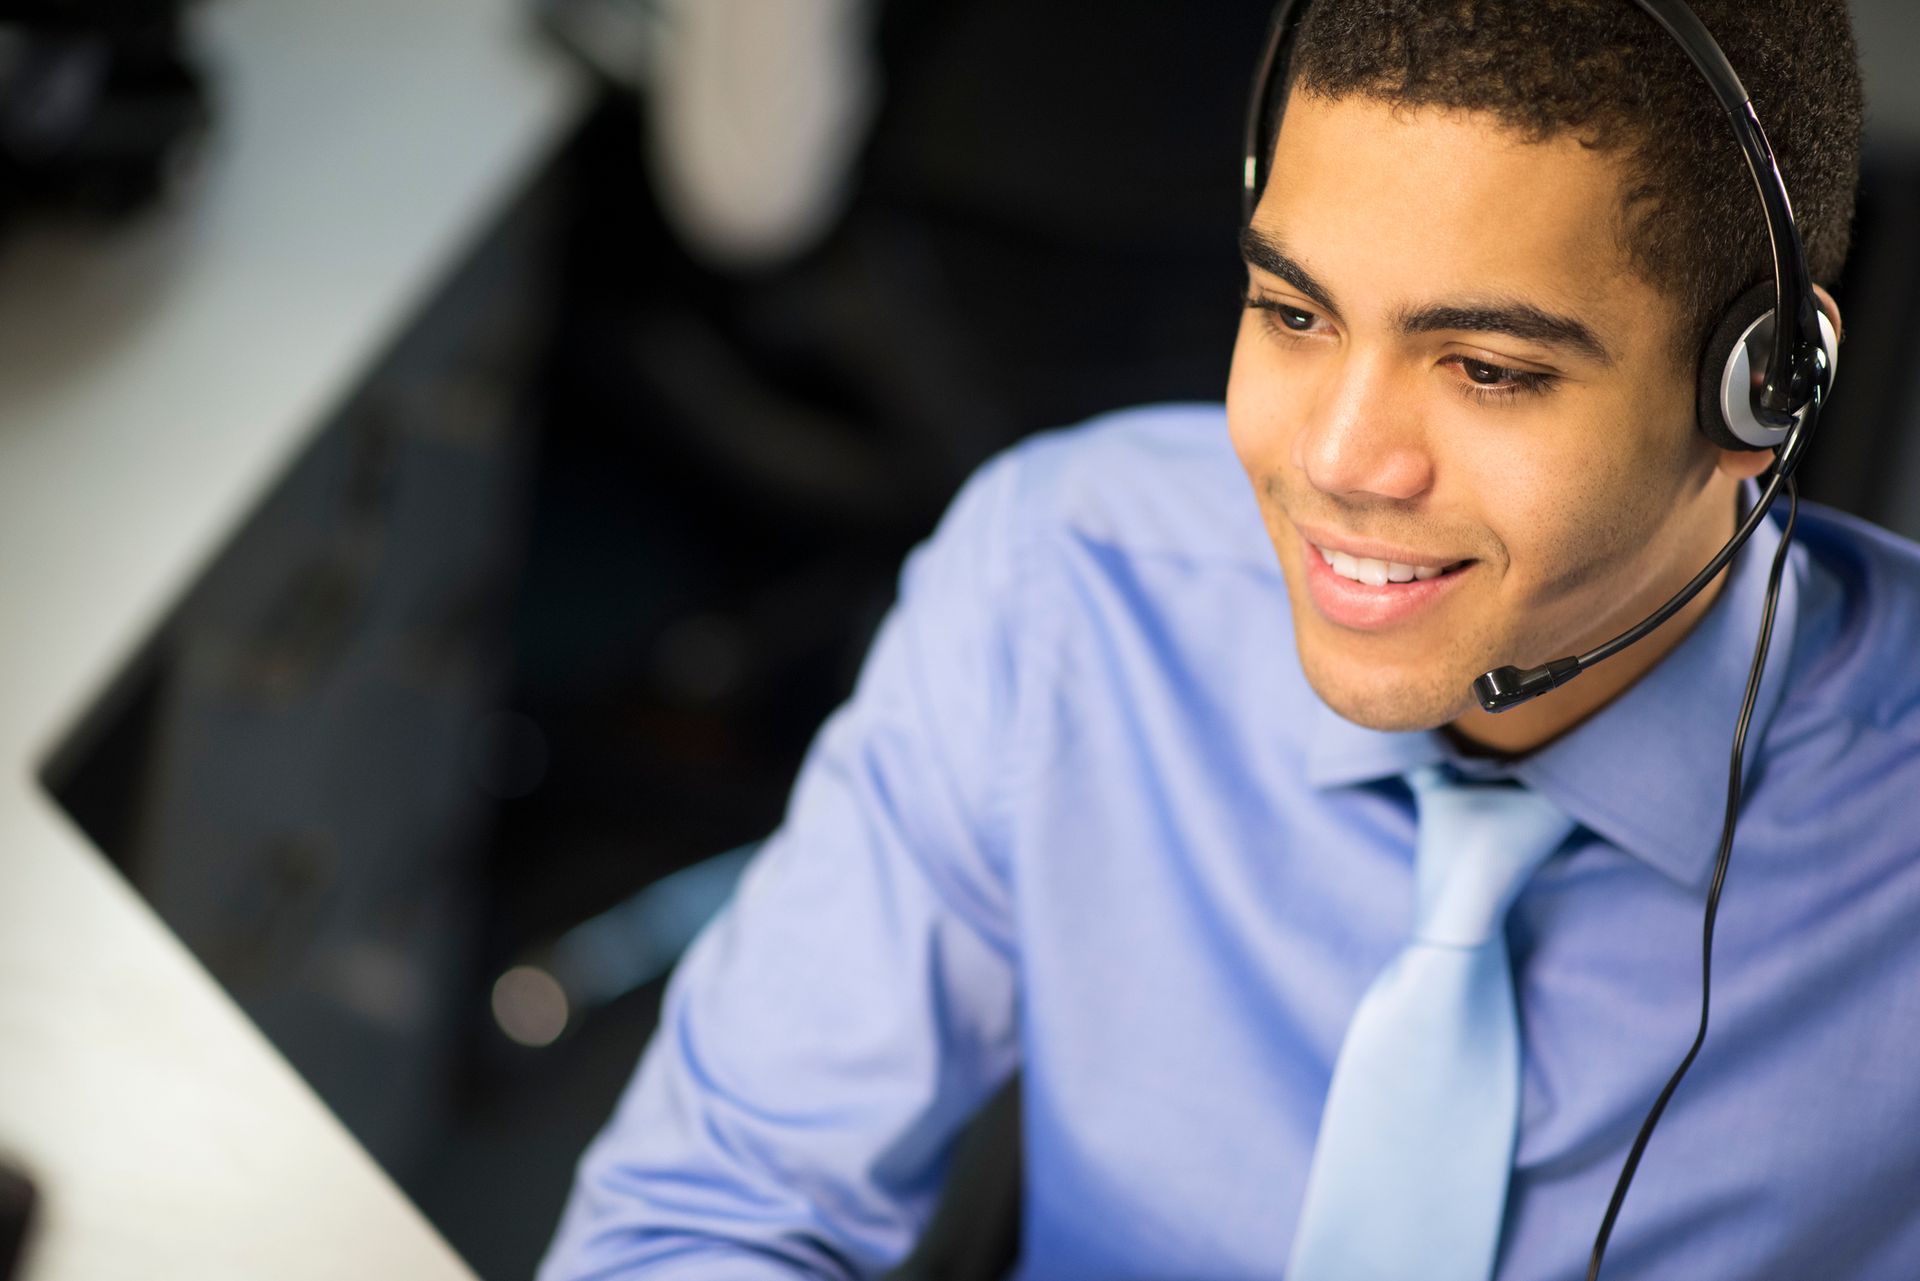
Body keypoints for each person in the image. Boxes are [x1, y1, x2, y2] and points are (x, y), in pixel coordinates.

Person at [541, 2, 1914, 1277]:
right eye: (1293, 313)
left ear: (1763, 391)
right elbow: (705, 1208)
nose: (1334, 459)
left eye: (1489, 369)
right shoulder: (1069, 580)